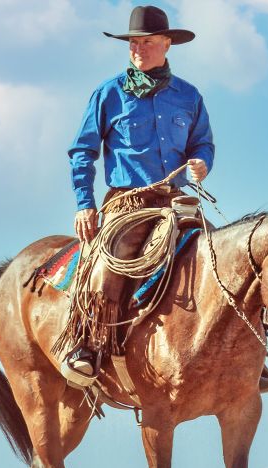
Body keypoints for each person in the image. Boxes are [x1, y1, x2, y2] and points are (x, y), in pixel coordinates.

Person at [64, 5, 213, 375]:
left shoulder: (189, 96)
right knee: (111, 260)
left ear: (166, 44)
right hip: (128, 202)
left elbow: (202, 144)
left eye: (146, 42)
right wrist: (85, 204)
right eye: (133, 42)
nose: (138, 49)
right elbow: (83, 151)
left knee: (221, 258)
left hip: (178, 201)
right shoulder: (108, 94)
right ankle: (88, 345)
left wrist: (202, 163)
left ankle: (239, 353)